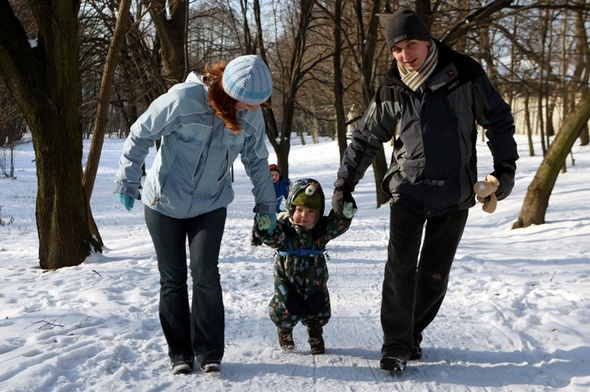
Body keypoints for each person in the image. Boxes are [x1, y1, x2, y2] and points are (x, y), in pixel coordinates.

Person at [331, 8, 518, 373]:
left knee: (434, 275)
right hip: (407, 191)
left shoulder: (464, 73)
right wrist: (344, 184)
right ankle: (396, 345)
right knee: (400, 269)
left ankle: (411, 334)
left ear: (426, 40)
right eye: (397, 49)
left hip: (455, 193)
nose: (405, 55)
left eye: (411, 45)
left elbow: (498, 118)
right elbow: (367, 137)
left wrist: (504, 170)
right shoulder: (392, 86)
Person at [113, 55, 277, 375]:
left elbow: (257, 161)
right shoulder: (183, 100)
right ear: (229, 95)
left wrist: (267, 207)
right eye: (249, 103)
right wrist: (127, 179)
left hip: (211, 204)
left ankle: (210, 351)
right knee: (173, 279)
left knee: (205, 275)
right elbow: (141, 132)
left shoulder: (251, 116)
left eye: (260, 103)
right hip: (164, 204)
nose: (256, 110)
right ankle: (180, 353)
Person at [254, 178, 355, 355]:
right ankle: (285, 330)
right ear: (291, 209)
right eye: (299, 210)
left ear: (318, 213)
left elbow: (336, 225)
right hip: (288, 282)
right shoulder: (285, 229)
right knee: (286, 307)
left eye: (310, 211)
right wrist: (266, 227)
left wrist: (345, 214)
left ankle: (315, 334)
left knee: (317, 307)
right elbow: (273, 237)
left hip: (315, 281)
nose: (303, 216)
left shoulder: (320, 232)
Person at [251, 164, 290, 246]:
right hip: (264, 208)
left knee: (280, 222)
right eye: (272, 175)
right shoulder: (264, 185)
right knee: (258, 221)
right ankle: (256, 238)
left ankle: (276, 237)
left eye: (276, 175)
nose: (274, 177)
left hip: (276, 209)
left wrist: (291, 205)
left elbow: (288, 197)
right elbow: (259, 196)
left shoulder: (282, 185)